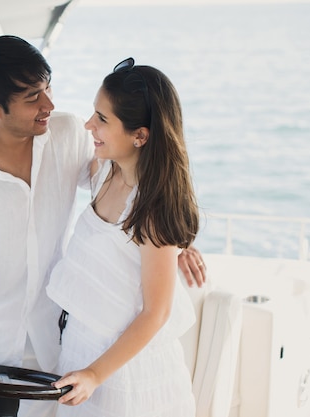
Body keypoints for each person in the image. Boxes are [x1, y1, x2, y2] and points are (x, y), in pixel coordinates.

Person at [0, 36, 205, 417]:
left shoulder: (68, 133)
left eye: (47, 88)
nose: (49, 105)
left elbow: (130, 172)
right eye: (32, 97)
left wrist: (176, 239)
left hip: (54, 347)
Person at [46, 58, 199, 417]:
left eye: (102, 118)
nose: (88, 125)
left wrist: (95, 374)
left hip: (124, 372)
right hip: (82, 349)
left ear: (140, 136)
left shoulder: (153, 208)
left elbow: (155, 312)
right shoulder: (104, 172)